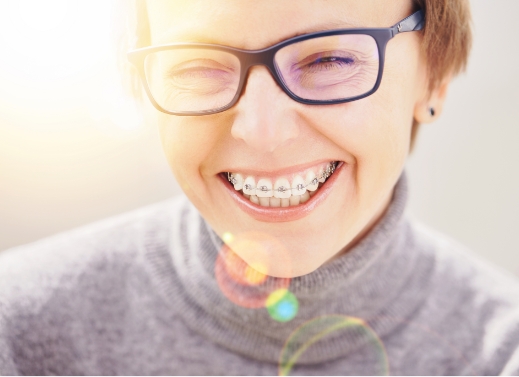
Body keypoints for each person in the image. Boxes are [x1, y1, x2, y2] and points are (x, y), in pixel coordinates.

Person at [1, 0, 519, 375]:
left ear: (434, 78)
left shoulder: (501, 354)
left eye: (329, 61)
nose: (263, 132)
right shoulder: (19, 332)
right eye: (199, 66)